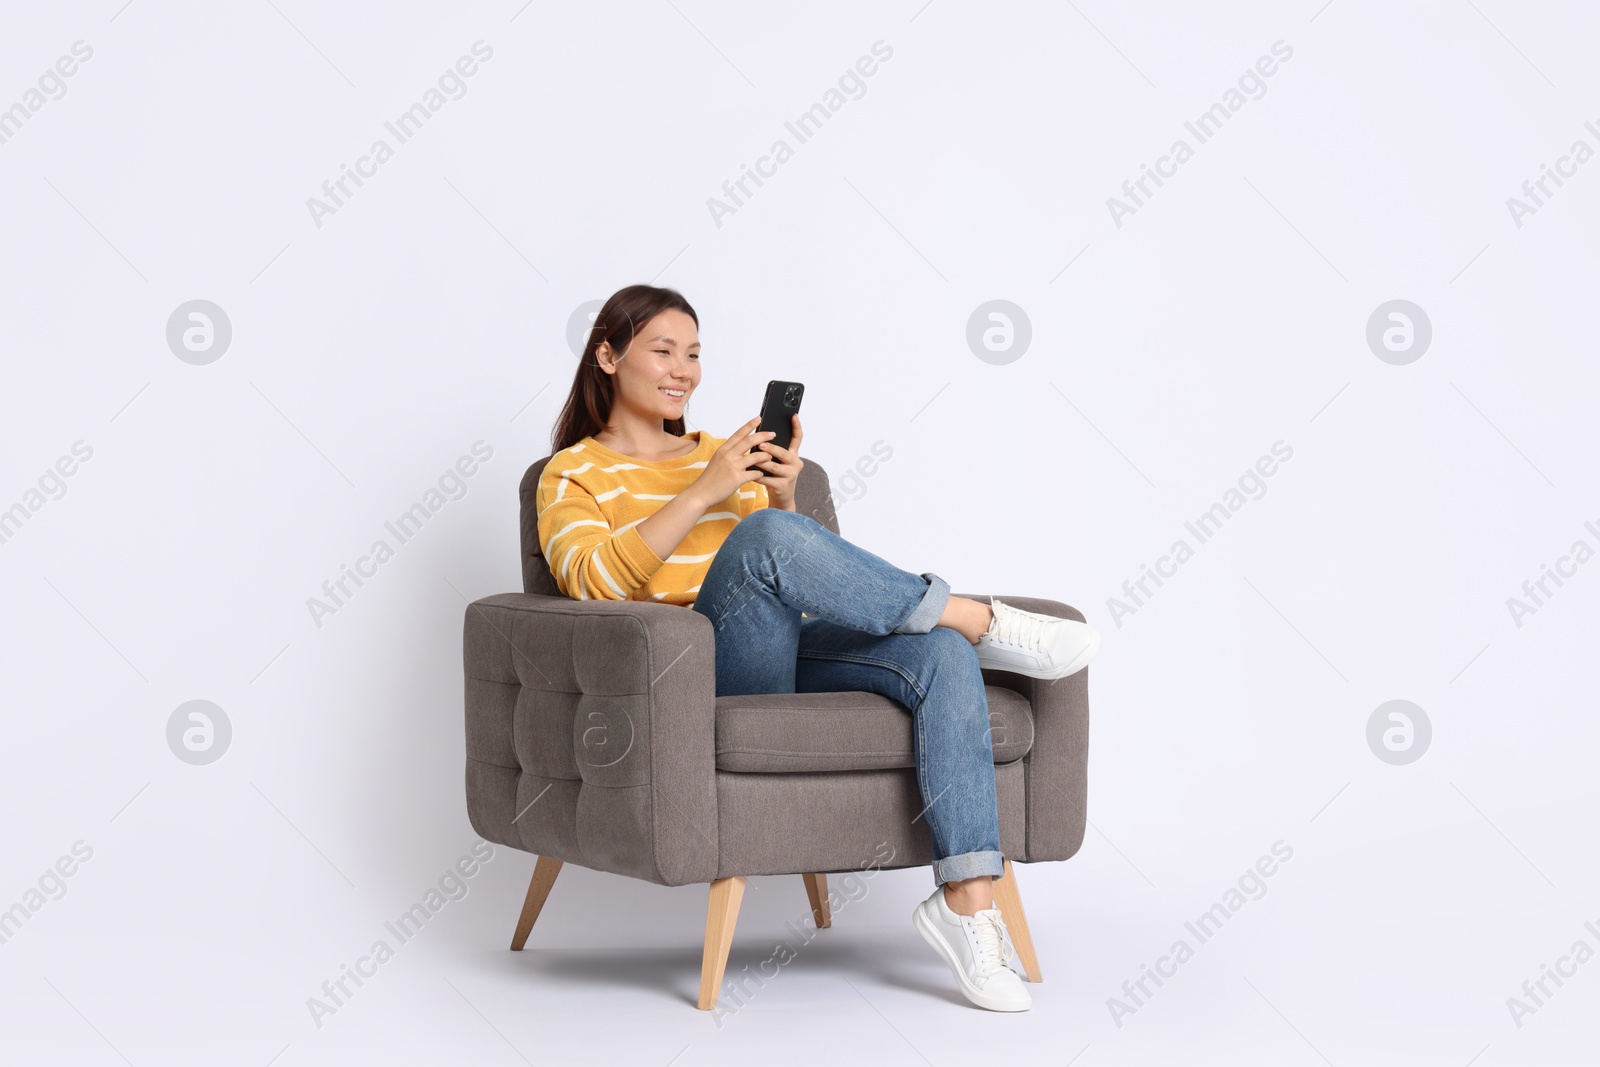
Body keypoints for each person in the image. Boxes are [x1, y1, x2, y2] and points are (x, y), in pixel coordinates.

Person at [536, 284, 1100, 1012]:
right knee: (776, 547)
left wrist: (782, 500)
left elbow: (819, 585)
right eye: (663, 350)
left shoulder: (729, 455)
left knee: (938, 655)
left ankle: (966, 905)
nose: (683, 370)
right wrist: (707, 493)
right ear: (608, 356)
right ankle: (978, 616)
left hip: (780, 646)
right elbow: (591, 584)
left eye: (695, 353)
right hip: (687, 670)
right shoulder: (572, 473)